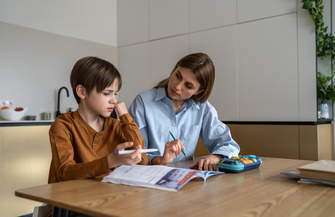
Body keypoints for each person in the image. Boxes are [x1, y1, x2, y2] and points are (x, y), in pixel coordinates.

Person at [129, 52, 239, 171]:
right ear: (174, 69)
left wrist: (215, 158)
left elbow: (229, 144)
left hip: (186, 179)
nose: (177, 86)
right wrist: (159, 160)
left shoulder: (202, 108)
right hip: (147, 177)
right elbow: (133, 153)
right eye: (178, 76)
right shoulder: (143, 102)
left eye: (188, 86)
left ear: (199, 91)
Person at [48, 56, 148, 184]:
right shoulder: (63, 125)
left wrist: (126, 118)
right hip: (68, 199)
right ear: (82, 92)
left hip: (103, 197)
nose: (114, 100)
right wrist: (110, 161)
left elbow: (142, 161)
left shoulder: (116, 125)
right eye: (107, 93)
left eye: (115, 94)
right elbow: (64, 173)